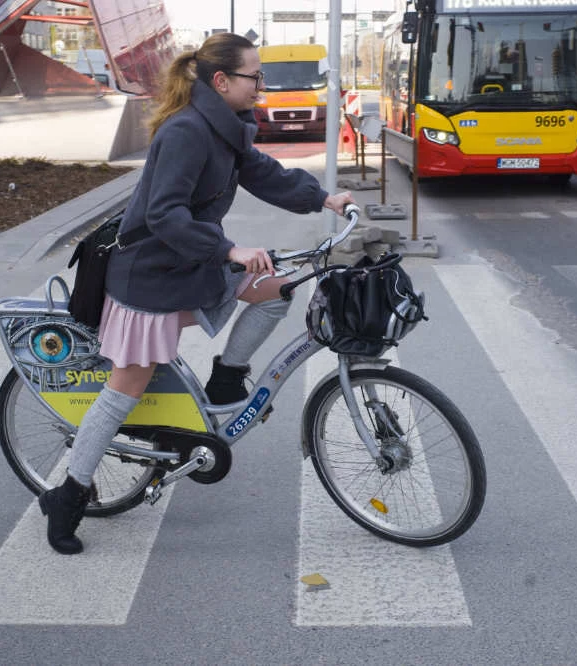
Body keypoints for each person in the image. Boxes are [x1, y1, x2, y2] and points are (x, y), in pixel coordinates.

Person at [39, 32, 356, 555]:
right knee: (124, 391)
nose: (262, 85)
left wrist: (324, 198)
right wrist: (229, 250)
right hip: (151, 275)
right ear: (222, 81)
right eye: (255, 76)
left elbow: (264, 173)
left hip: (190, 262)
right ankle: (68, 493)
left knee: (278, 289)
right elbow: (164, 214)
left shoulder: (226, 130)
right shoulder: (187, 131)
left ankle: (227, 381)